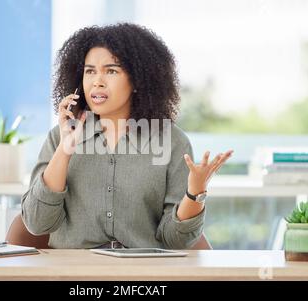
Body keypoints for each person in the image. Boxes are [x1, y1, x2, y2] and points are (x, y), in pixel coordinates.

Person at [21, 23, 233, 249]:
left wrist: (195, 194)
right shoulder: (61, 136)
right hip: (74, 274)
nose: (97, 81)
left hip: (143, 275)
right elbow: (36, 223)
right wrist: (64, 152)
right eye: (90, 71)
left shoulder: (172, 143)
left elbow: (176, 241)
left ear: (137, 80)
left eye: (111, 71)